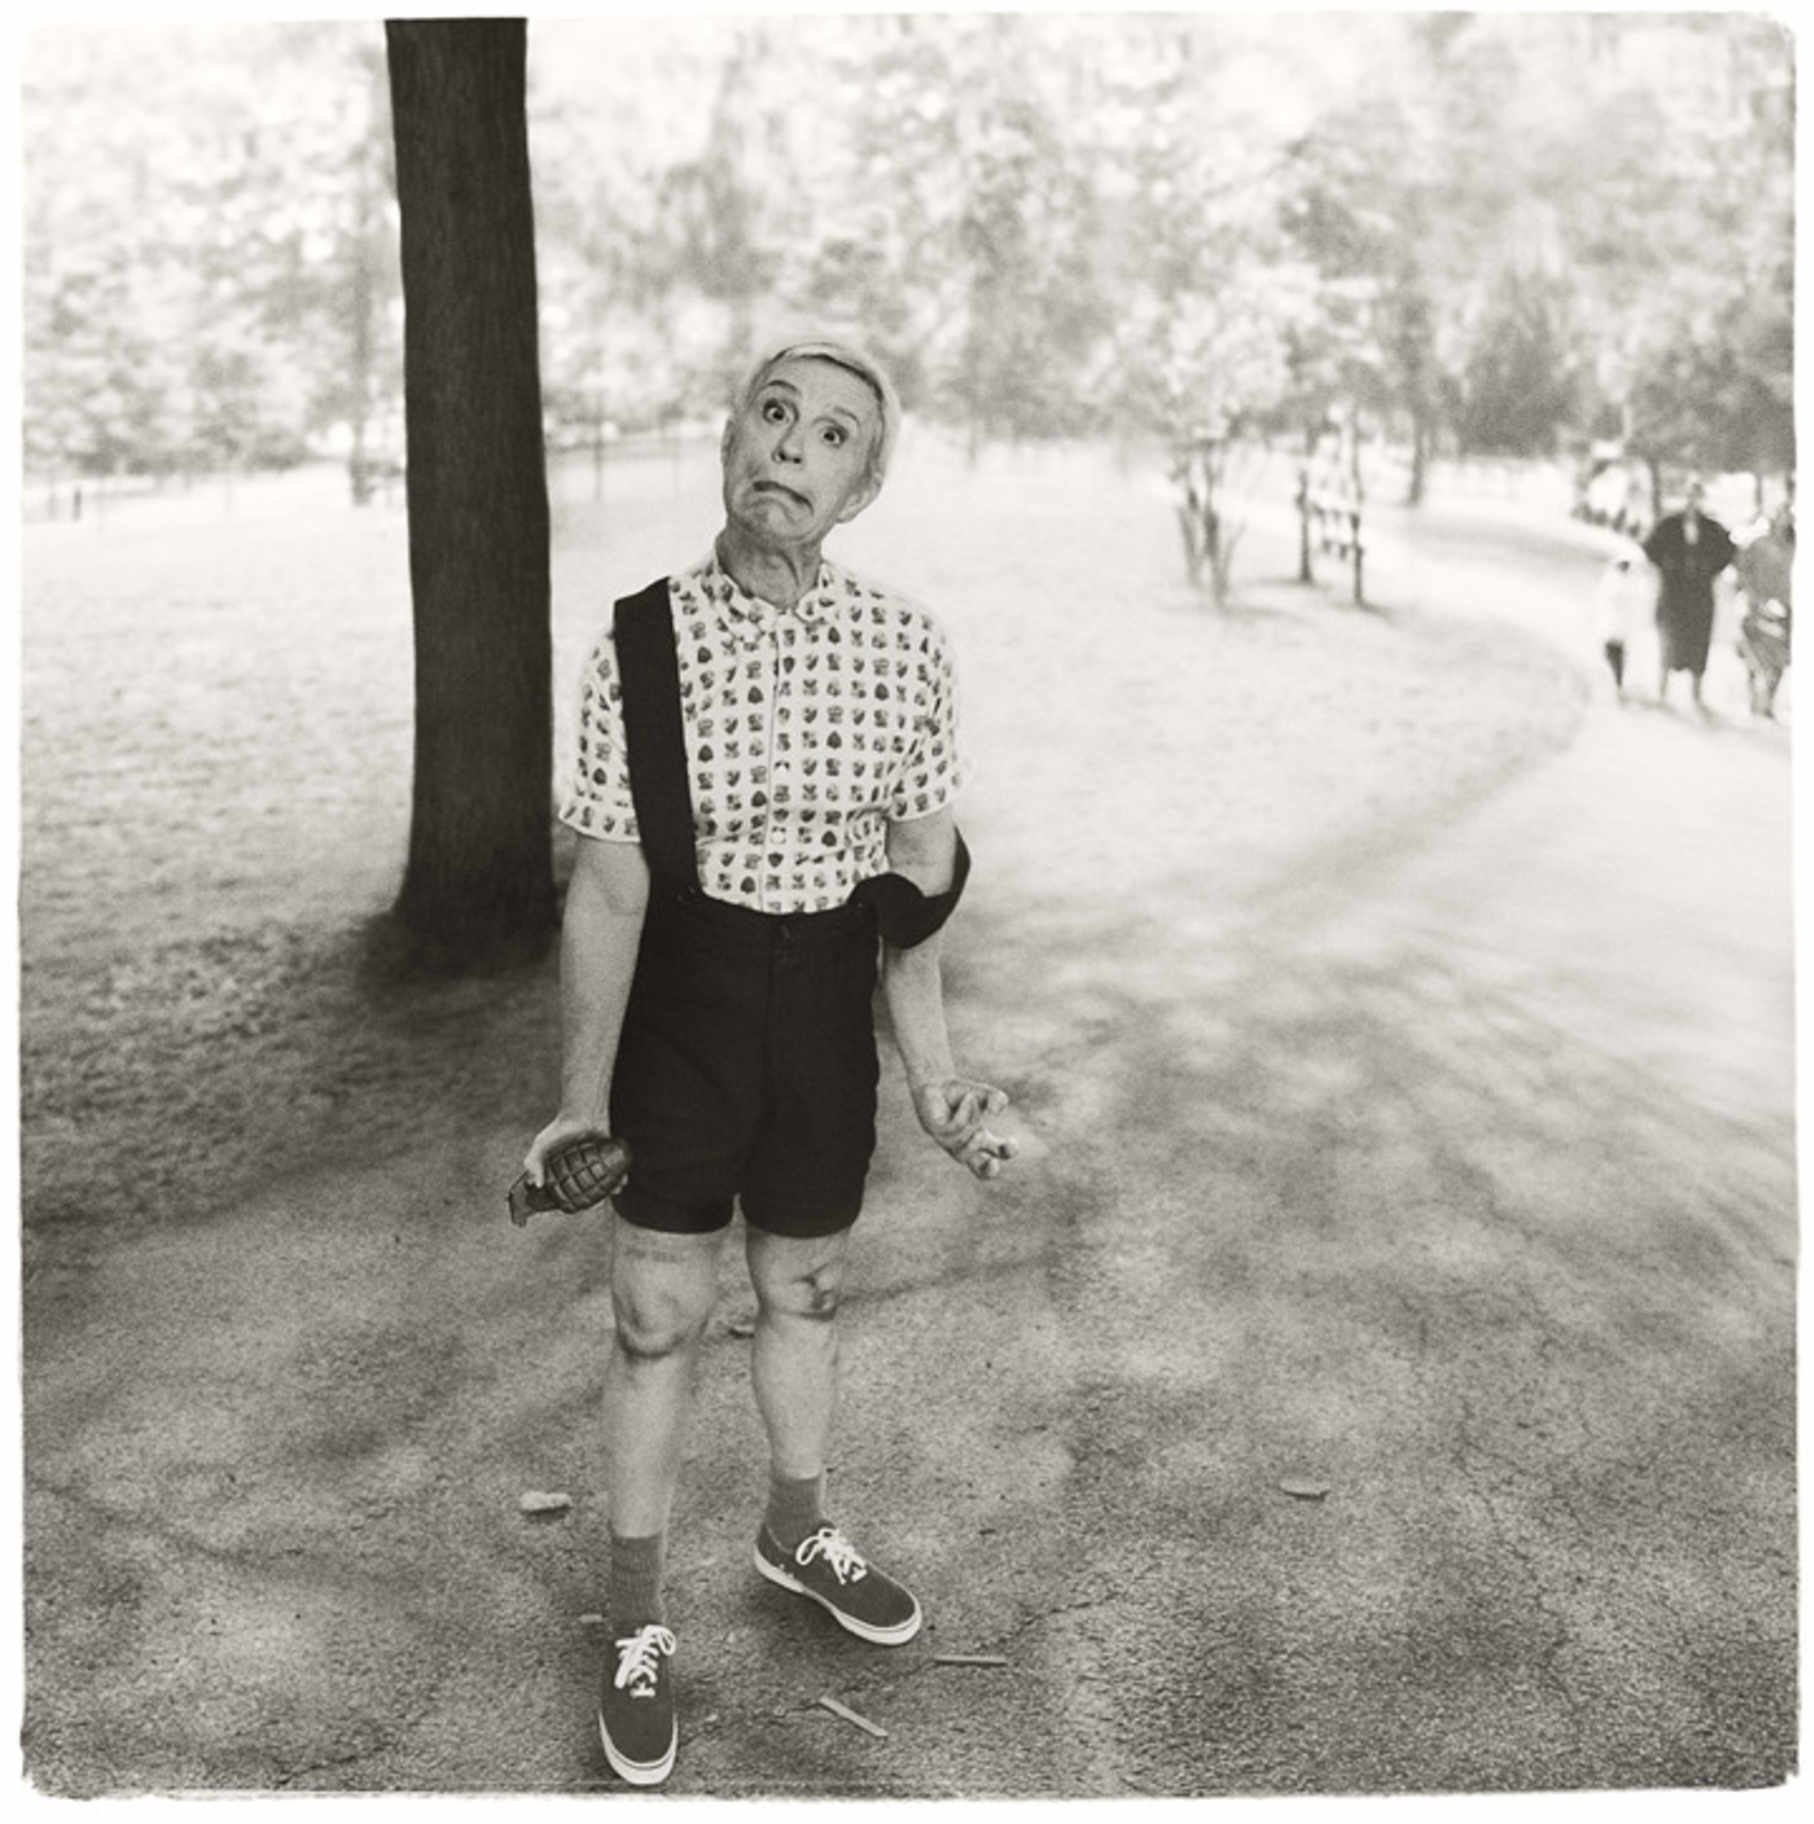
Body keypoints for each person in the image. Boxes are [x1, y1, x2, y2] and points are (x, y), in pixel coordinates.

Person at [524, 337, 1017, 1788]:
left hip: (816, 1017)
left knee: (803, 1287)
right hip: (686, 998)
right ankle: (633, 1619)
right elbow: (608, 891)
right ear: (730, 436)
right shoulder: (639, 643)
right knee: (656, 1318)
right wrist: (577, 1099)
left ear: (861, 485)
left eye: (832, 435)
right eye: (774, 414)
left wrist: (931, 1078)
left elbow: (912, 898)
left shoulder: (905, 646)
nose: (792, 446)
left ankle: (793, 1527)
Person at [1642, 477, 1736, 711]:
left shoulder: (1712, 529)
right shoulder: (1669, 525)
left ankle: (1696, 695)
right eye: (1689, 496)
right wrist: (1667, 565)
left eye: (1697, 496)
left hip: (1700, 595)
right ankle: (1662, 691)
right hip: (1673, 593)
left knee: (1698, 643)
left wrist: (1710, 569)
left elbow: (1729, 551)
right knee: (1669, 641)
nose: (1693, 502)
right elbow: (1649, 547)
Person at [1592, 537, 1652, 702]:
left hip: (1621, 627)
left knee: (1616, 654)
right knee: (1611, 652)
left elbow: (1637, 602)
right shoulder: (1613, 580)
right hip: (1612, 624)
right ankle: (1614, 682)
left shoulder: (1631, 582)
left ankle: (1617, 684)